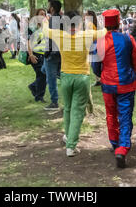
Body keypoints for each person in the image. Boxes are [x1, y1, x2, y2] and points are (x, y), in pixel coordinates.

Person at [42, 10, 106, 157]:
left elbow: (45, 29)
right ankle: (71, 145)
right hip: (82, 77)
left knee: (68, 109)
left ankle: (68, 136)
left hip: (65, 76)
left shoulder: (59, 34)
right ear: (79, 23)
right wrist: (93, 21)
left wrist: (46, 19)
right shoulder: (87, 34)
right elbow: (104, 32)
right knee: (77, 111)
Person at [92, 9, 136, 168]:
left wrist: (102, 74)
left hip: (108, 84)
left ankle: (114, 142)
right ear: (119, 22)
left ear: (105, 24)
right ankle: (123, 147)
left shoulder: (99, 42)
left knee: (111, 114)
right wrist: (132, 72)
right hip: (126, 83)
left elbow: (95, 66)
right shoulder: (128, 39)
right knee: (125, 116)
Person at [42, 0, 63, 111]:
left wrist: (47, 52)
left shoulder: (53, 20)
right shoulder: (61, 19)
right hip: (60, 53)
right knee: (44, 70)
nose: (47, 7)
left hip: (52, 54)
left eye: (48, 5)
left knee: (51, 78)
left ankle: (54, 102)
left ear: (52, 8)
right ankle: (59, 74)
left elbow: (52, 38)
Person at [27, 9, 47, 103]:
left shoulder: (45, 26)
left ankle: (34, 87)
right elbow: (28, 41)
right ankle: (39, 97)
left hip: (44, 54)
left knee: (42, 75)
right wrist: (31, 55)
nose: (43, 16)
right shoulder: (32, 27)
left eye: (44, 14)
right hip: (35, 54)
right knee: (42, 75)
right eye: (41, 14)